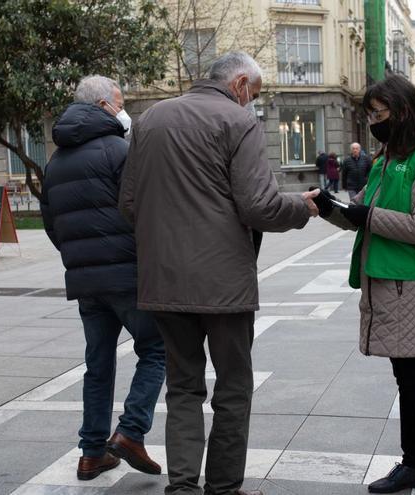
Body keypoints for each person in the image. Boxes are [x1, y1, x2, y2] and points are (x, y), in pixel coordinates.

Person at [120, 51, 319, 495]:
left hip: (164, 281)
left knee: (183, 387)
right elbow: (259, 205)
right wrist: (302, 208)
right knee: (232, 387)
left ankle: (184, 487)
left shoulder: (150, 119)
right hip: (224, 285)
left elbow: (129, 203)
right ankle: (225, 486)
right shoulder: (238, 121)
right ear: (240, 84)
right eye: (255, 94)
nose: (252, 103)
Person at [312, 74, 415, 495]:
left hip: (411, 284)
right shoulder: (386, 158)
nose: (373, 121)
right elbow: (360, 212)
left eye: (379, 113)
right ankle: (413, 465)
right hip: (383, 283)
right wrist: (327, 208)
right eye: (369, 114)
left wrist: (366, 217)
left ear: (404, 110)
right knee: (406, 380)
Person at [40, 75, 166, 481]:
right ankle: (130, 432)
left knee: (98, 364)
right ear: (103, 106)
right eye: (120, 102)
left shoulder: (55, 161)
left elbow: (51, 224)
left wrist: (80, 258)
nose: (124, 109)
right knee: (157, 348)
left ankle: (92, 453)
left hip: (87, 283)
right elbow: (144, 211)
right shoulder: (120, 150)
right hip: (128, 274)